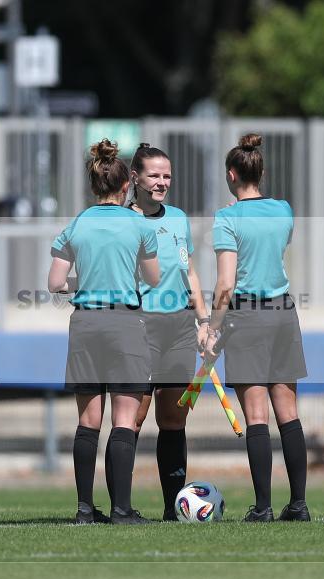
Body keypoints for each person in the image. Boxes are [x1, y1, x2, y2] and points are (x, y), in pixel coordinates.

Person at [47, 139, 161, 525]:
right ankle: (121, 509)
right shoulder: (137, 224)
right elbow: (153, 277)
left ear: (93, 185)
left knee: (87, 421)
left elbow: (55, 284)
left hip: (85, 323)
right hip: (124, 323)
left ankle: (83, 509)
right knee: (124, 419)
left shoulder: (76, 224)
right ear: (126, 185)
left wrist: (88, 281)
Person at [203, 133, 310, 522]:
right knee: (289, 413)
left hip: (248, 315)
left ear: (231, 175)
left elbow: (226, 283)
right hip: (283, 312)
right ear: (259, 172)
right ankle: (298, 504)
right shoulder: (283, 210)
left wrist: (213, 327)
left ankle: (263, 507)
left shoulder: (227, 218)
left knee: (257, 416)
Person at [106, 143, 209, 521]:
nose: (162, 182)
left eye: (167, 175)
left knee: (173, 418)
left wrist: (204, 321)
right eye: (154, 175)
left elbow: (190, 273)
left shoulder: (179, 218)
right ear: (134, 178)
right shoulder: (120, 220)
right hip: (139, 325)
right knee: (132, 418)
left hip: (180, 326)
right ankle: (121, 507)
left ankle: (172, 507)